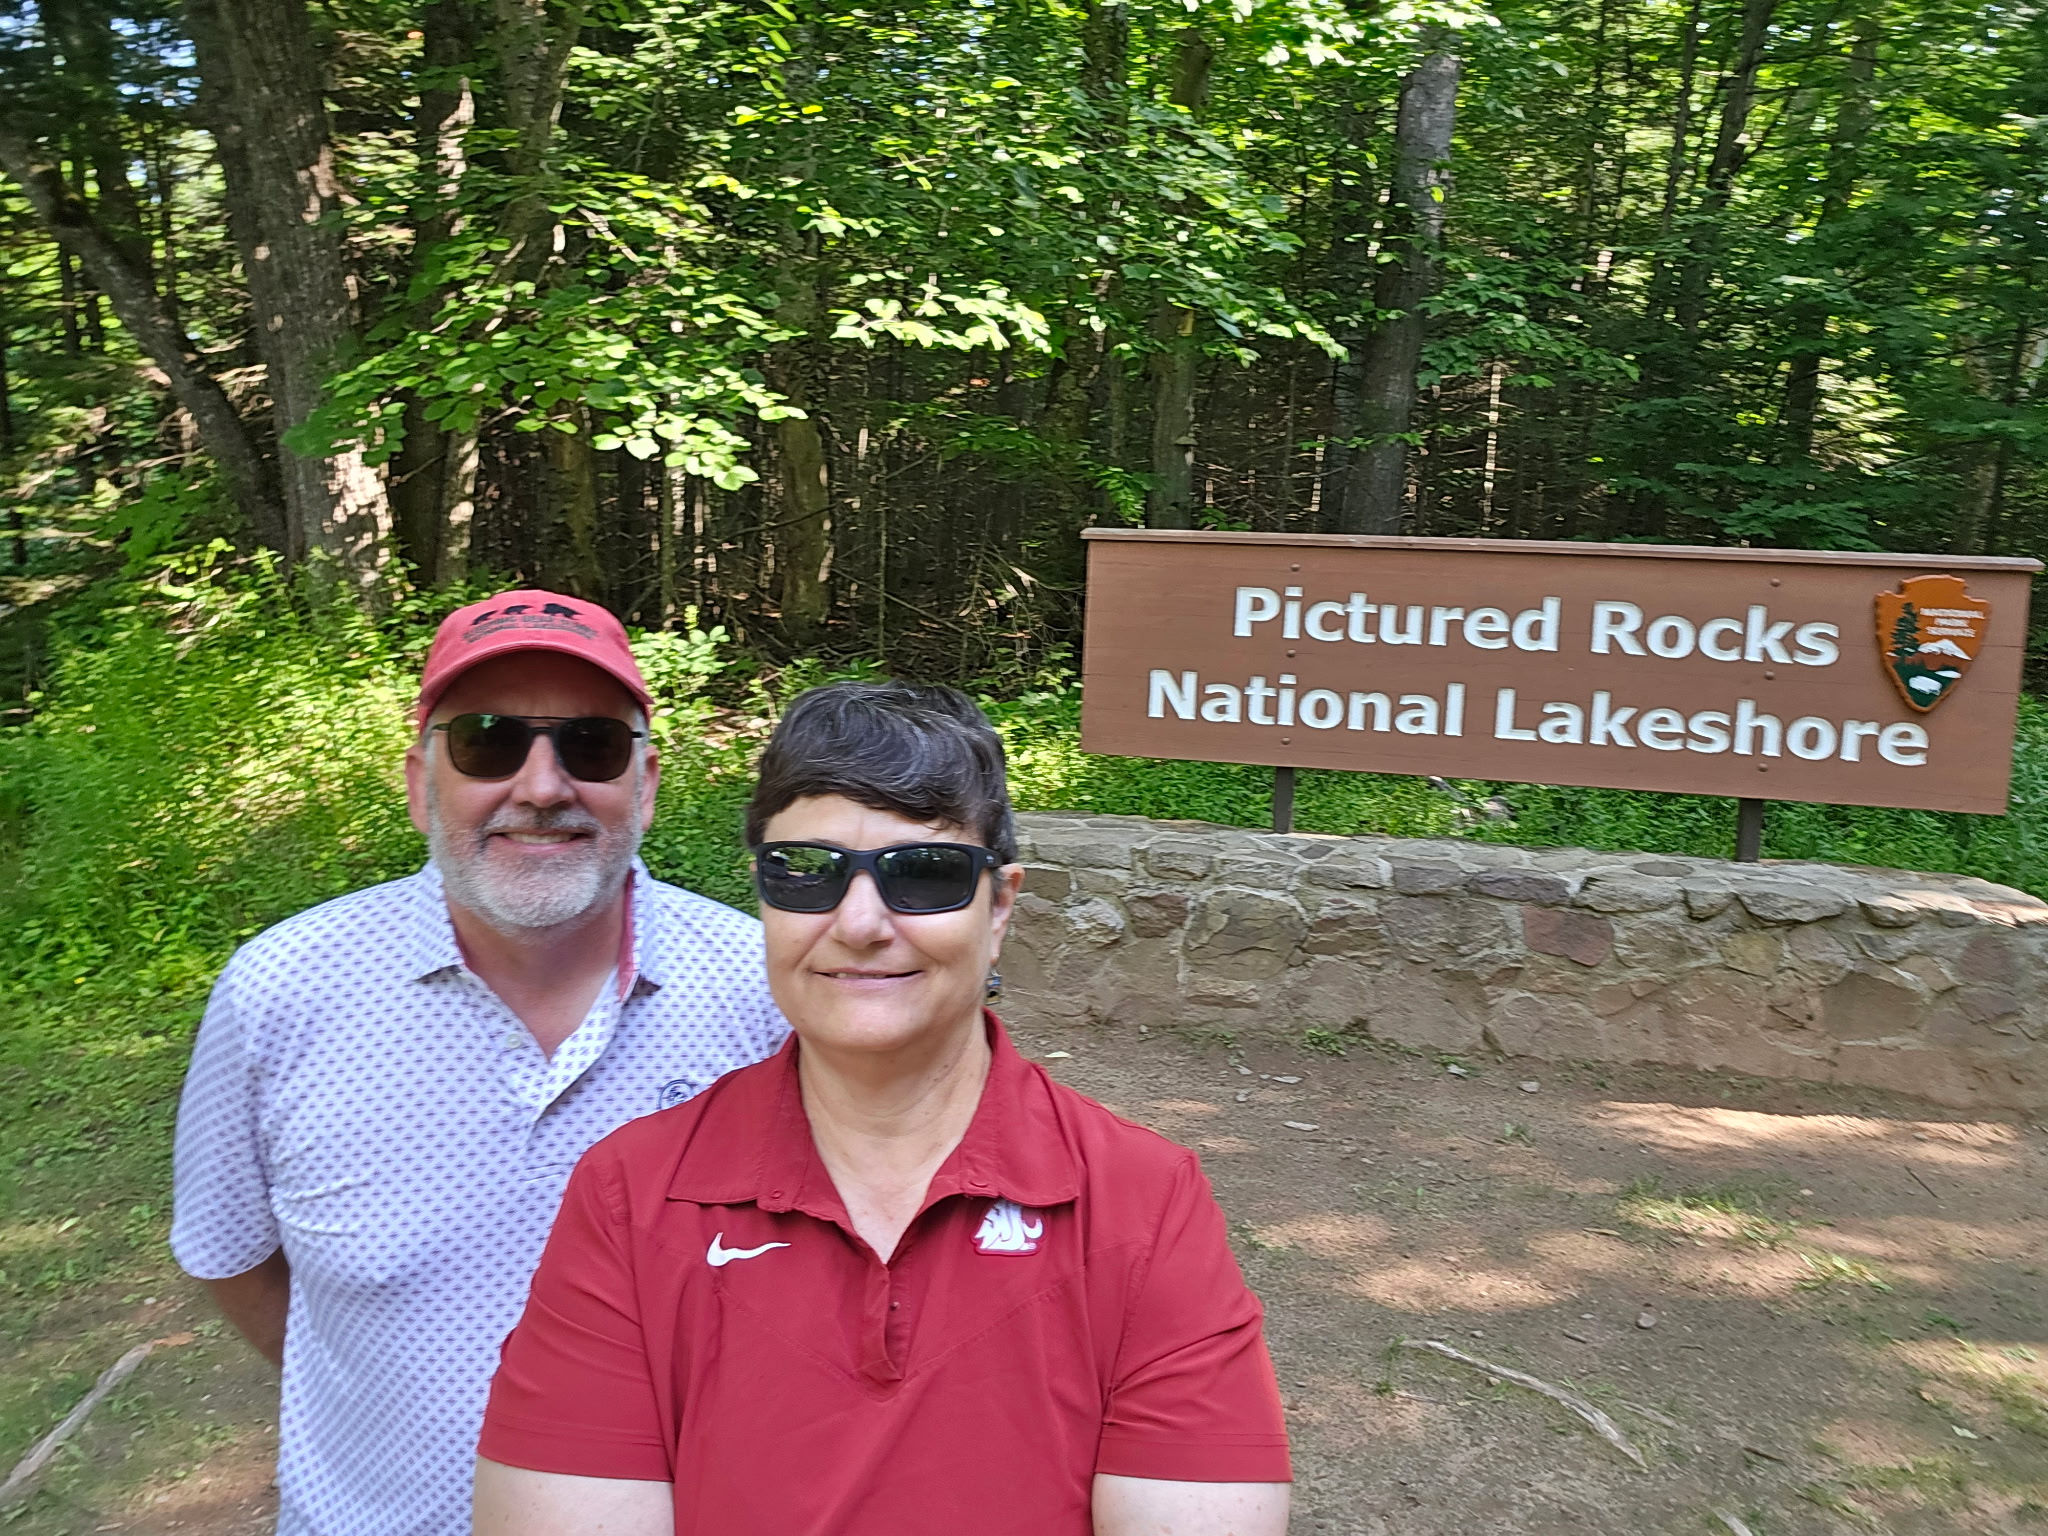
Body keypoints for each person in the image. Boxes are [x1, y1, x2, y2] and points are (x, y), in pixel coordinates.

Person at [473, 681, 1291, 1536]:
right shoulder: (633, 1197)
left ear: (1000, 904)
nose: (859, 922)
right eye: (806, 874)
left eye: (924, 875)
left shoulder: (1137, 1203)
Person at [170, 591, 788, 1536]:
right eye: (489, 741)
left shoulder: (765, 995)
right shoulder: (279, 993)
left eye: (590, 746)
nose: (542, 787)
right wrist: (389, 1398)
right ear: (422, 783)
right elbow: (232, 1260)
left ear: (647, 784)